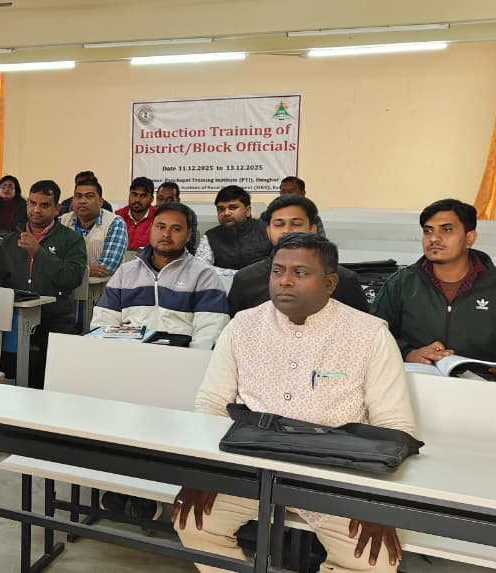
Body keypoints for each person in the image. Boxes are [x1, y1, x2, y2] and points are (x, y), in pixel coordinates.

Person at [178, 232, 416, 573]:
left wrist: (378, 503)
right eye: (277, 271)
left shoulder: (369, 334)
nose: (285, 281)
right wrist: (205, 474)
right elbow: (212, 404)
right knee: (193, 523)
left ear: (330, 283)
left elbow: (394, 426)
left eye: (300, 273)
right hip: (250, 467)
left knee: (372, 560)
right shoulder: (243, 325)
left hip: (335, 475)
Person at [371, 199, 496, 374]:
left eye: (446, 229)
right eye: (427, 231)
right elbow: (372, 335)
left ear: (470, 238)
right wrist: (408, 353)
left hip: (485, 384)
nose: (434, 238)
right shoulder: (401, 283)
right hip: (416, 381)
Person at [0, 180, 86, 389]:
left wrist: (39, 253)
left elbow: (72, 278)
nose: (36, 210)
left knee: (54, 372)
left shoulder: (71, 240)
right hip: (14, 318)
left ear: (57, 208)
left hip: (55, 318)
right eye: (32, 203)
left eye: (44, 205)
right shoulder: (11, 240)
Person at [91, 202, 229, 347]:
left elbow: (209, 333)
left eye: (176, 229)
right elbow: (103, 323)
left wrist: (188, 357)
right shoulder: (126, 272)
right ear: (151, 228)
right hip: (128, 353)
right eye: (160, 227)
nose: (166, 234)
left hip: (180, 355)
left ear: (188, 235)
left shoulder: (203, 275)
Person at [228, 195, 369, 316]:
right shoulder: (246, 279)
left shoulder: (343, 279)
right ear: (268, 231)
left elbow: (360, 325)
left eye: (296, 223)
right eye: (279, 224)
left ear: (313, 229)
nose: (287, 230)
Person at [59, 177, 128, 279]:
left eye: (89, 196)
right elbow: (50, 264)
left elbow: (106, 268)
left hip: (103, 288)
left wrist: (66, 268)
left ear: (100, 202)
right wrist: (86, 269)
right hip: (66, 287)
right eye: (78, 196)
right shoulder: (62, 221)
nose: (83, 201)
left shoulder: (115, 223)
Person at [199, 185, 271, 273]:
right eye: (221, 209)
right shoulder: (211, 236)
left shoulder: (268, 231)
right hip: (222, 281)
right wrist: (238, 275)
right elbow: (200, 268)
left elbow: (278, 265)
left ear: (248, 211)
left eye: (233, 208)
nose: (226, 213)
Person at [114, 177, 156, 251]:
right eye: (134, 194)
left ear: (151, 199)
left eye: (143, 195)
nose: (137, 200)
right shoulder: (118, 217)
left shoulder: (157, 218)